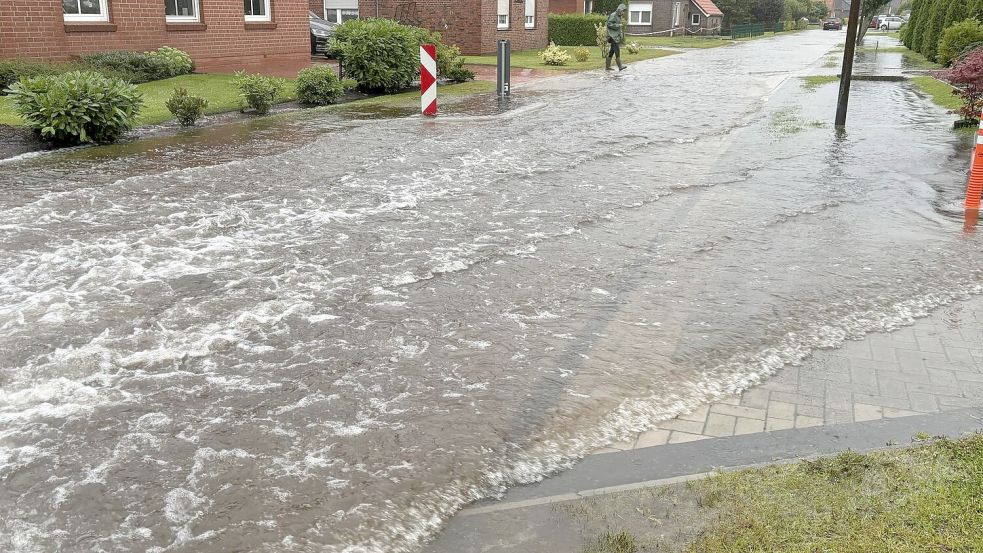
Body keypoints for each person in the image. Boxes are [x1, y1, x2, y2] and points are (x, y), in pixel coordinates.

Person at [606, 4, 628, 71]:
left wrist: (620, 34)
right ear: (619, 10)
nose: (623, 13)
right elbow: (609, 24)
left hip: (615, 36)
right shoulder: (613, 15)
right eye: (623, 11)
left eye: (624, 11)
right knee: (617, 50)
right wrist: (618, 25)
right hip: (612, 36)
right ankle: (620, 66)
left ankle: (607, 67)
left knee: (612, 51)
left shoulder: (618, 16)